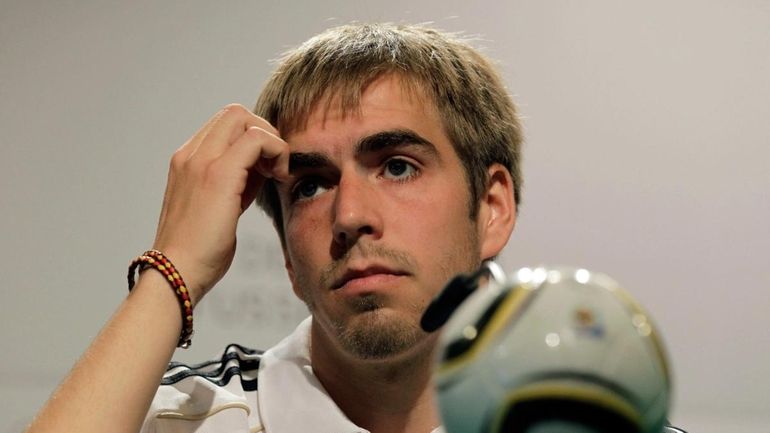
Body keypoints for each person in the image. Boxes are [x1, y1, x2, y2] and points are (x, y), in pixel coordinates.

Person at [25, 23, 684, 433]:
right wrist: (173, 271)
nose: (348, 216)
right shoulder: (183, 420)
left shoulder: (605, 422)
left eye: (397, 166)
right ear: (285, 251)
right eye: (310, 185)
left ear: (492, 207)